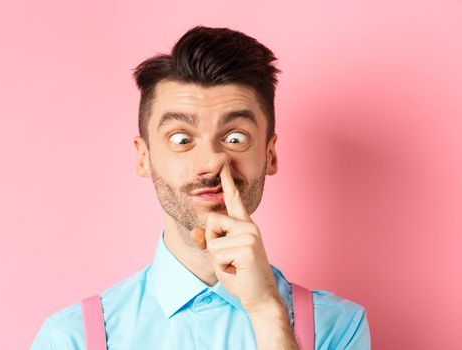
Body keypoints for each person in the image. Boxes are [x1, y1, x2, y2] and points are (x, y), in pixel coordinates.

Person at [31, 26, 371, 350]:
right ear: (144, 157)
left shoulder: (338, 326)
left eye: (235, 138)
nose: (211, 162)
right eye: (181, 139)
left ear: (269, 154)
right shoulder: (72, 338)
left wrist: (267, 311)